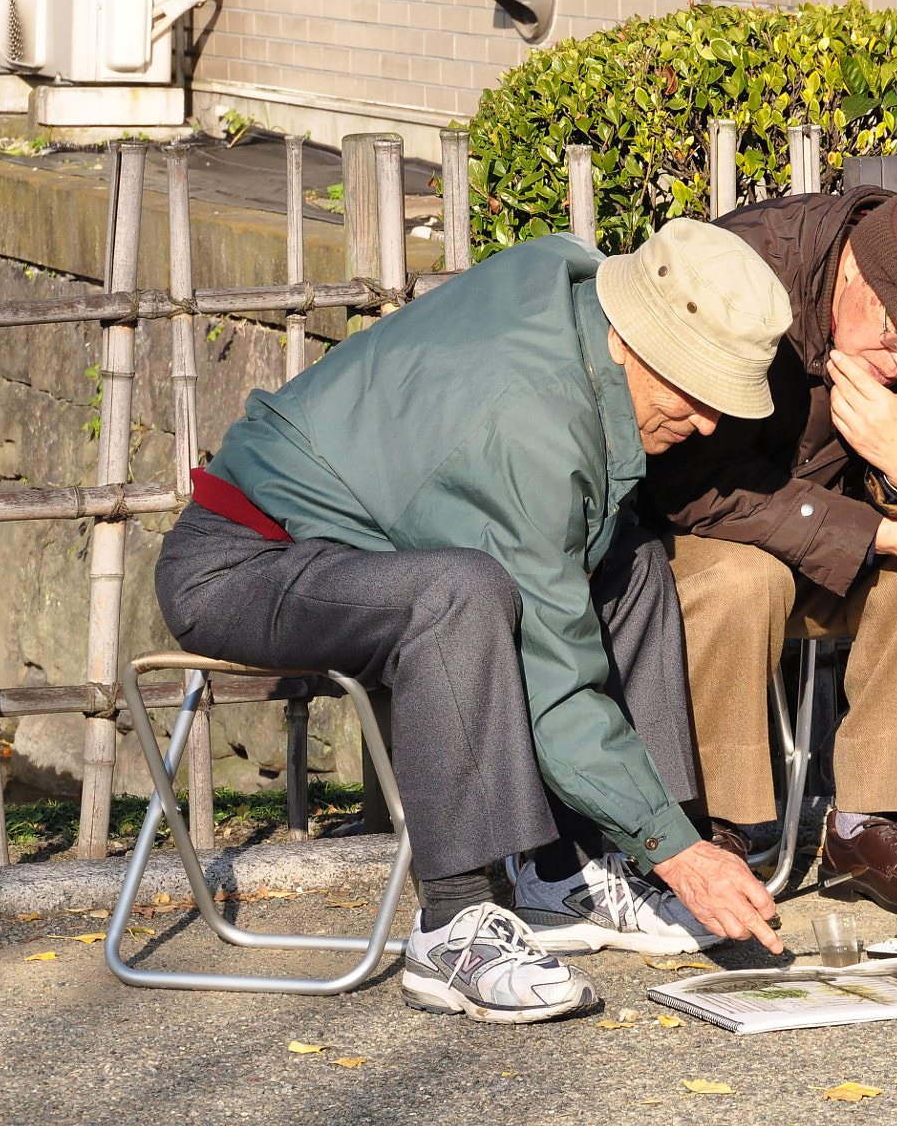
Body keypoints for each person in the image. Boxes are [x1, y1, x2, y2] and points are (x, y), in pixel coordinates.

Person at [154, 219, 792, 1025]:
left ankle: (573, 874)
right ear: (633, 339)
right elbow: (553, 680)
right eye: (695, 391)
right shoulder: (526, 418)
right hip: (238, 565)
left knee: (631, 562)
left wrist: (652, 841)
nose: (705, 424)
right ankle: (452, 925)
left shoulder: (577, 292)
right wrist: (677, 847)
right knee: (461, 595)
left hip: (349, 548)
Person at [645, 177, 897, 917]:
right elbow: (685, 479)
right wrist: (885, 530)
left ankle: (871, 825)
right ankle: (715, 827)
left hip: (825, 547)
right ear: (857, 267)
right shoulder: (744, 267)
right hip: (693, 538)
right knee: (742, 577)